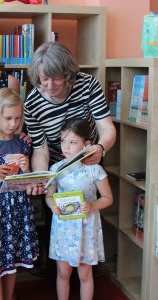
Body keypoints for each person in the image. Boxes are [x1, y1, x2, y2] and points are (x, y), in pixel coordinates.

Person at [0, 88, 39, 300]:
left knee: (14, 263)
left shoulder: (22, 143)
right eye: (8, 118)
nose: (13, 124)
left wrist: (26, 167)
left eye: (18, 119)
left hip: (19, 210)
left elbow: (27, 183)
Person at [45, 118, 113, 300]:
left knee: (85, 273)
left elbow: (108, 198)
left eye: (72, 142)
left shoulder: (95, 169)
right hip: (63, 228)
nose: (65, 147)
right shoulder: (56, 168)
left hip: (86, 227)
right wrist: (52, 206)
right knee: (63, 272)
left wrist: (92, 205)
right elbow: (49, 195)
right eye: (62, 141)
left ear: (87, 144)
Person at [24, 41, 116, 171]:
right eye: (45, 79)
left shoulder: (87, 84)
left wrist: (100, 148)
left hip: (89, 158)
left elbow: (106, 128)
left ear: (67, 74)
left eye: (56, 78)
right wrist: (41, 178)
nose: (50, 86)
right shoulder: (32, 104)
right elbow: (40, 151)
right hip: (56, 166)